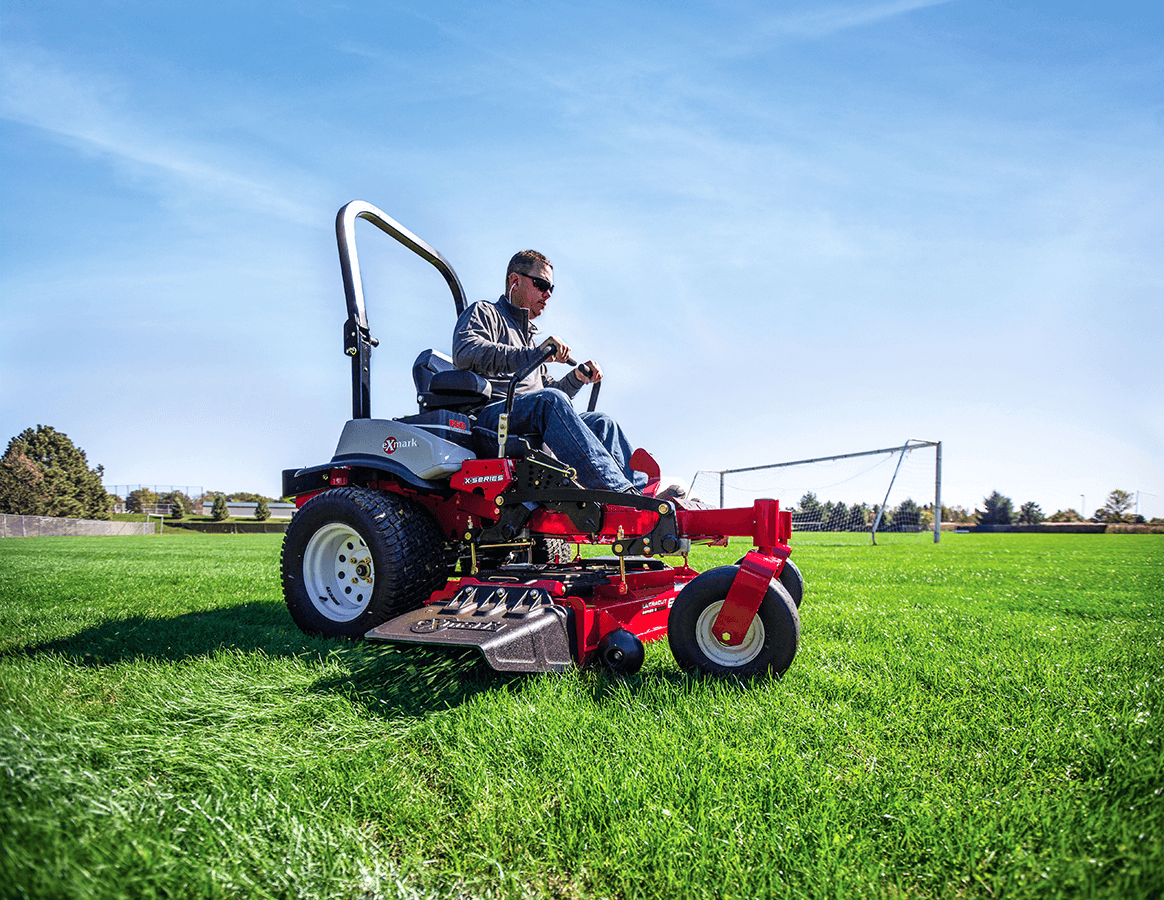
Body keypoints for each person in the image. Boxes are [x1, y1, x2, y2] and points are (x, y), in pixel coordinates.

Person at [451, 250, 648, 493]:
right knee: (549, 401)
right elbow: (466, 353)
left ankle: (643, 493)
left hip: (527, 414)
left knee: (601, 423)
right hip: (492, 418)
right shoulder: (484, 313)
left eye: (551, 288)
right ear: (515, 281)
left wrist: (575, 379)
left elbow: (549, 393)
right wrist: (532, 355)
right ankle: (620, 496)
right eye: (542, 284)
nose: (548, 294)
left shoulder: (530, 342)